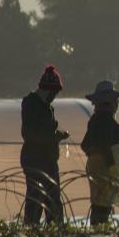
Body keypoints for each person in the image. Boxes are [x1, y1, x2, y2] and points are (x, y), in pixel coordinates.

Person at [21, 65, 70, 226]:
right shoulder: (31, 104)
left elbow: (45, 131)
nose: (55, 96)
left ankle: (56, 232)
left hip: (49, 160)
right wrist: (54, 136)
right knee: (36, 200)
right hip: (36, 160)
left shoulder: (48, 108)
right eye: (54, 93)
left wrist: (56, 136)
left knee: (53, 201)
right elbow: (30, 133)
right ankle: (30, 232)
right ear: (48, 90)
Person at [81, 80, 119, 226]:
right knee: (103, 205)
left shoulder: (95, 119)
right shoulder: (107, 120)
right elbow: (105, 146)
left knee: (98, 203)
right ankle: (99, 231)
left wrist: (93, 155)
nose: (117, 104)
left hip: (95, 167)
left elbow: (85, 145)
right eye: (116, 101)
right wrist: (110, 168)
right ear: (111, 103)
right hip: (105, 168)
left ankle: (97, 228)